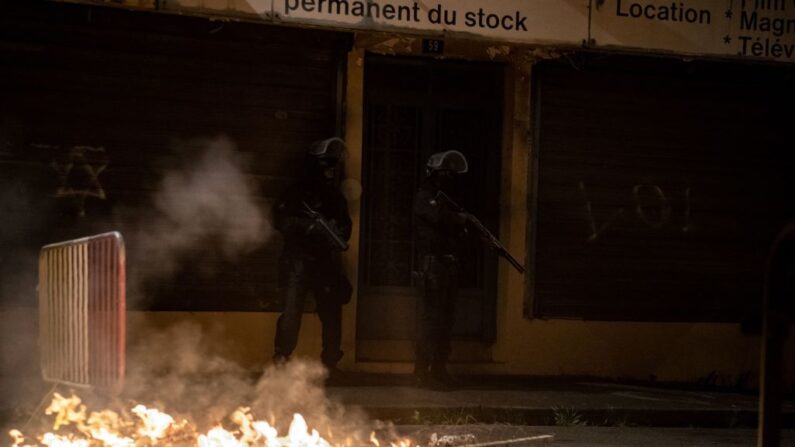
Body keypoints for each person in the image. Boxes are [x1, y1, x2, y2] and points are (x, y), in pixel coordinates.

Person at [272, 137, 353, 374]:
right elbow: (281, 221)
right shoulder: (296, 192)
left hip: (325, 262)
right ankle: (281, 359)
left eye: (333, 164)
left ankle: (330, 363)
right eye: (326, 164)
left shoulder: (335, 196)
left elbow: (345, 227)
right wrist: (309, 226)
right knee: (291, 313)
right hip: (298, 260)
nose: (331, 169)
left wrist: (336, 231)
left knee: (331, 314)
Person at [412, 149, 470, 390]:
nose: (448, 178)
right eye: (443, 173)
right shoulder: (425, 195)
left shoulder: (448, 199)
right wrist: (459, 219)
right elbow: (435, 216)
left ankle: (439, 369)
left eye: (450, 174)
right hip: (432, 265)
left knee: (446, 321)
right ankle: (421, 372)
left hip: (448, 264)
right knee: (431, 320)